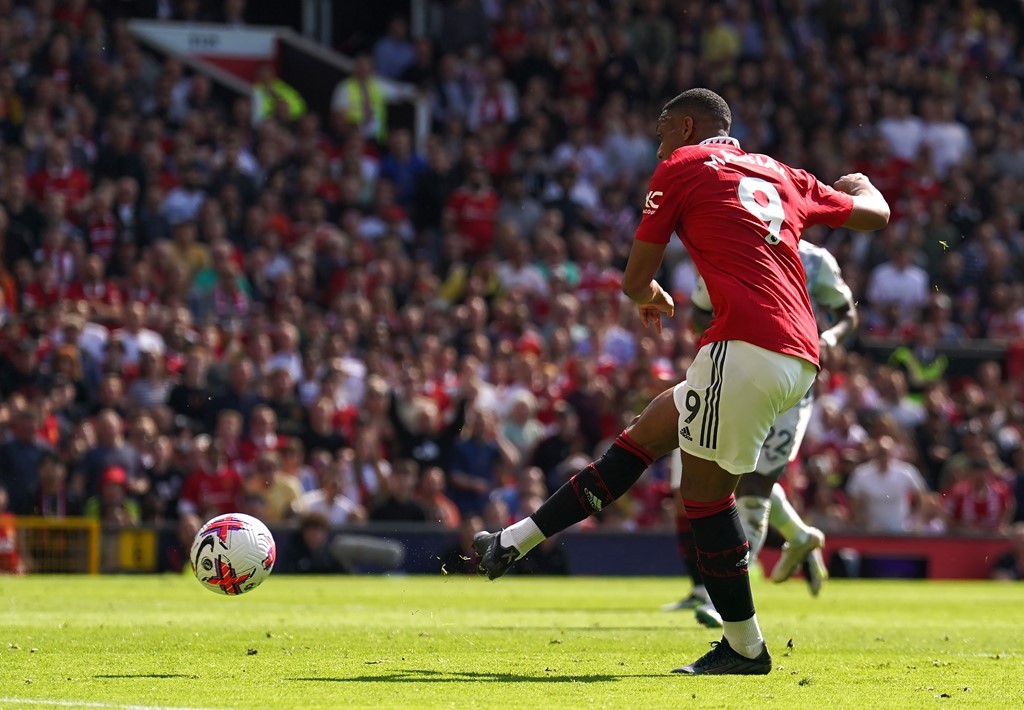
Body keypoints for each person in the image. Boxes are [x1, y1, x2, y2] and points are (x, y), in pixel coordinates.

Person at [471, 88, 889, 675]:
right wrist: (861, 182)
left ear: (687, 126)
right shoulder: (782, 174)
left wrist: (648, 293)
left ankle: (746, 649)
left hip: (744, 345)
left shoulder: (683, 166)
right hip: (798, 354)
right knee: (647, 434)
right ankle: (511, 543)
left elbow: (633, 278)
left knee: (706, 502)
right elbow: (877, 214)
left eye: (663, 130)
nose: (658, 142)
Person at [666, 238, 859, 625]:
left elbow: (847, 315)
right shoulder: (726, 246)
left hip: (793, 381)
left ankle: (728, 599)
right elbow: (699, 314)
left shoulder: (816, 261)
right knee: (730, 475)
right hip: (731, 377)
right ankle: (798, 538)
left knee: (755, 483)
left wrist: (829, 338)